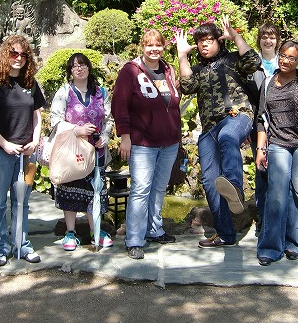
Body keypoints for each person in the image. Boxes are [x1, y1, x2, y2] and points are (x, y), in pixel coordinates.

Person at [175, 15, 260, 248]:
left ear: (219, 42)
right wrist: (182, 55)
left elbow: (253, 61)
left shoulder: (233, 59)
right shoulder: (197, 69)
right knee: (210, 180)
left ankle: (235, 188)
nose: (204, 44)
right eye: (200, 41)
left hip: (237, 116)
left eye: (209, 39)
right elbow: (187, 87)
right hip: (209, 128)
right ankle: (226, 235)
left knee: (228, 136)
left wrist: (236, 36)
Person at [112, 29, 181, 260]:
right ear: (142, 47)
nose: (154, 49)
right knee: (141, 189)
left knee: (159, 188)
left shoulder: (168, 70)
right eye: (149, 45)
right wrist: (125, 136)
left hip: (169, 141)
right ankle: (134, 238)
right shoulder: (130, 71)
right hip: (142, 142)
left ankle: (154, 229)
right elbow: (119, 105)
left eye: (158, 45)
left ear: (163, 47)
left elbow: (173, 101)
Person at [255, 41, 298, 266]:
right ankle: (270, 247)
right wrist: (260, 149)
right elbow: (260, 119)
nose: (286, 61)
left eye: (292, 58)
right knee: (276, 194)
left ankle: (297, 243)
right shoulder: (267, 83)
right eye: (283, 56)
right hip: (277, 144)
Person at [0, 35, 45, 266]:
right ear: (6, 54)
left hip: (26, 154)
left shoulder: (30, 83)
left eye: (23, 55)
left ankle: (22, 243)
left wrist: (35, 140)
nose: (18, 58)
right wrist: (4, 143)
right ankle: (2, 245)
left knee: (22, 200)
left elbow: (37, 115)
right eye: (14, 53)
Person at [50, 53, 115, 251]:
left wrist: (106, 135)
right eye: (75, 66)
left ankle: (96, 229)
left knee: (95, 190)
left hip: (96, 150)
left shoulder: (102, 93)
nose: (79, 68)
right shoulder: (64, 92)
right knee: (69, 189)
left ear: (89, 68)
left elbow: (109, 119)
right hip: (73, 150)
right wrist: (75, 130)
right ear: (70, 71)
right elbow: (55, 119)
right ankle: (70, 232)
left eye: (83, 65)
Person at [253, 22, 282, 236]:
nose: (268, 40)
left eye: (272, 37)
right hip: (259, 125)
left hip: (282, 126)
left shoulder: (285, 61)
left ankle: (279, 217)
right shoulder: (253, 63)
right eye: (264, 36)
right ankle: (262, 217)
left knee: (281, 170)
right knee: (261, 170)